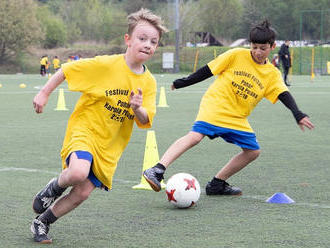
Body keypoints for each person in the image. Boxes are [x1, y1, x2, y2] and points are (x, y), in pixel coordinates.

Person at [30, 8, 167, 244]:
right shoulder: (106, 65)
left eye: (153, 41)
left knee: (82, 192)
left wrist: (137, 108)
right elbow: (66, 70)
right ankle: (53, 188)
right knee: (78, 172)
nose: (147, 44)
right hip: (85, 130)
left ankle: (42, 222)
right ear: (128, 39)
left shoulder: (149, 82)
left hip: (110, 146)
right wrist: (44, 93)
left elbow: (145, 119)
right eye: (142, 38)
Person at [143, 20, 314, 196]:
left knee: (253, 151)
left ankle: (217, 184)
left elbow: (283, 94)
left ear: (272, 46)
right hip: (216, 105)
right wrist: (184, 82)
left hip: (237, 117)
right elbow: (209, 70)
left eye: (262, 48)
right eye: (254, 47)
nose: (257, 52)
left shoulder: (272, 74)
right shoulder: (236, 55)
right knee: (195, 137)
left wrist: (297, 114)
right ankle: (157, 169)